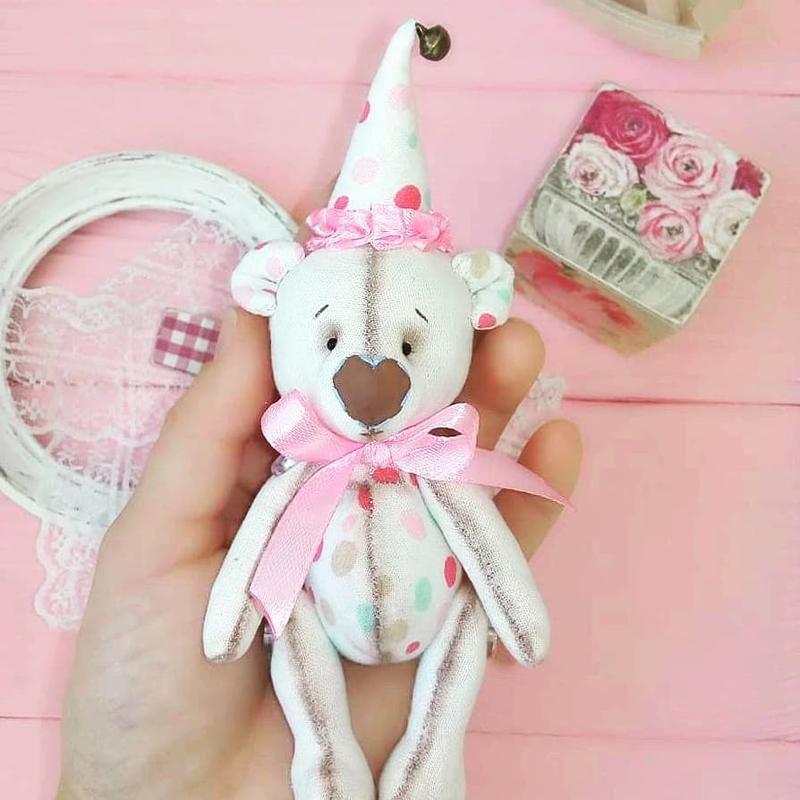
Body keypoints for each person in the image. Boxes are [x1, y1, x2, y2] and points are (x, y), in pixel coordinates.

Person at [55, 307, 581, 799]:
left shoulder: (433, 466)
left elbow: (483, 540)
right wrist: (233, 619)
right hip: (328, 627)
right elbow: (264, 533)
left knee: (470, 615)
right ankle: (325, 754)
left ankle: (432, 755)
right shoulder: (308, 472)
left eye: (409, 344)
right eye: (330, 341)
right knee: (289, 614)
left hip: (434, 623)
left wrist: (517, 616)